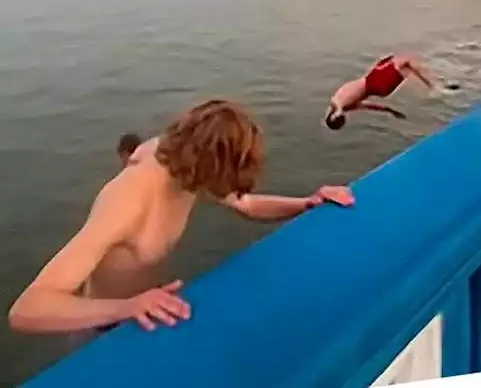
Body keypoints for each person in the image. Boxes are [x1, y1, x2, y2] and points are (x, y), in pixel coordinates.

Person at [8, 100, 355, 335]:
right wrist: (126, 308)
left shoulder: (187, 162)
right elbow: (27, 309)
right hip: (101, 327)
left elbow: (246, 204)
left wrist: (306, 203)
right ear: (210, 164)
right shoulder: (127, 200)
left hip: (149, 310)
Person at [325, 54, 435, 129]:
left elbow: (368, 106)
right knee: (406, 61)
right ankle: (433, 85)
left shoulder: (346, 106)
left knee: (408, 68)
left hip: (381, 90)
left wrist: (390, 110)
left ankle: (431, 84)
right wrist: (338, 111)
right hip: (375, 80)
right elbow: (337, 104)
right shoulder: (337, 102)